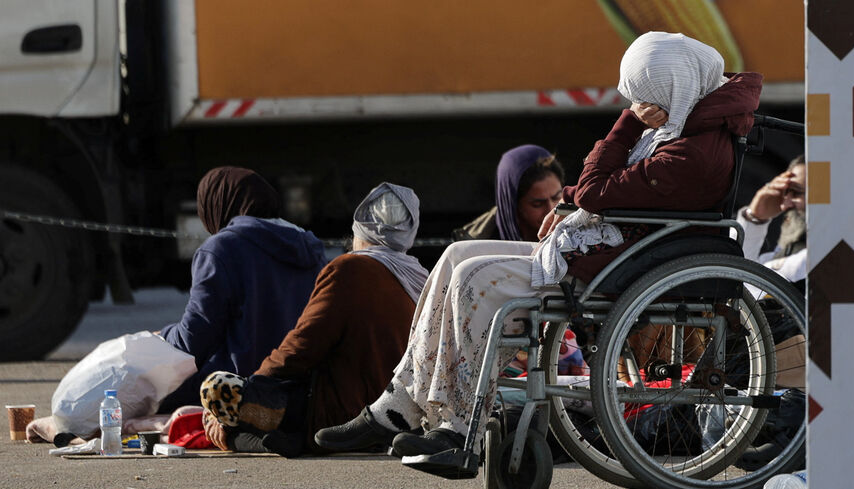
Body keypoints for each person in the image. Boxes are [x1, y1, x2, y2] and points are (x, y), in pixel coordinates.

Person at [314, 31, 762, 457]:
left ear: (679, 87)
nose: (638, 105)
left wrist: (625, 124)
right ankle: (396, 405)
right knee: (455, 256)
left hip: (620, 263)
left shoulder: (690, 152)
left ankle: (459, 423)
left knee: (476, 278)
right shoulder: (687, 131)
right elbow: (608, 192)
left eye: (645, 97)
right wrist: (570, 201)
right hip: (612, 250)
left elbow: (593, 190)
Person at [200, 183, 429, 456]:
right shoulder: (422, 278)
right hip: (403, 419)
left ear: (360, 229)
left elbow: (302, 347)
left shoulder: (350, 269)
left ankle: (237, 436)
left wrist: (254, 388)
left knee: (217, 389)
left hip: (341, 417)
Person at [157, 166, 327, 412]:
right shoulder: (310, 247)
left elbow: (193, 342)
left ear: (216, 204)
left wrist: (161, 337)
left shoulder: (221, 249)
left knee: (144, 390)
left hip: (239, 388)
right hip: (300, 389)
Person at [452, 145, 565, 242]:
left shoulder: (579, 228)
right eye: (537, 204)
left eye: (556, 197)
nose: (551, 209)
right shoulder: (475, 248)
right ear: (513, 205)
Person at [737, 155, 806, 286]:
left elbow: (746, 284)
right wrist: (754, 218)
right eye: (786, 192)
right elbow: (733, 276)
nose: (786, 203)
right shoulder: (788, 254)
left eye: (797, 192)